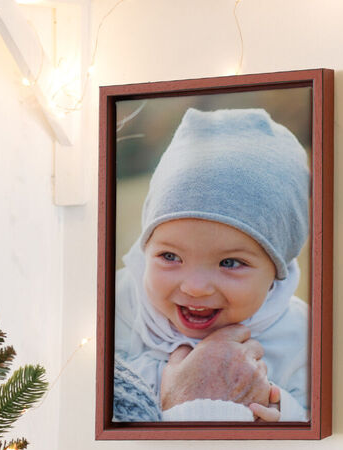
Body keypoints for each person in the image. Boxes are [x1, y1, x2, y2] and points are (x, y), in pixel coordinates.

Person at [114, 108, 310, 422]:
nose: (194, 286)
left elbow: (319, 423)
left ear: (276, 271)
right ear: (145, 248)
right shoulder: (115, 308)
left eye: (230, 262)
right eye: (170, 257)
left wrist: (279, 409)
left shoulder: (301, 334)